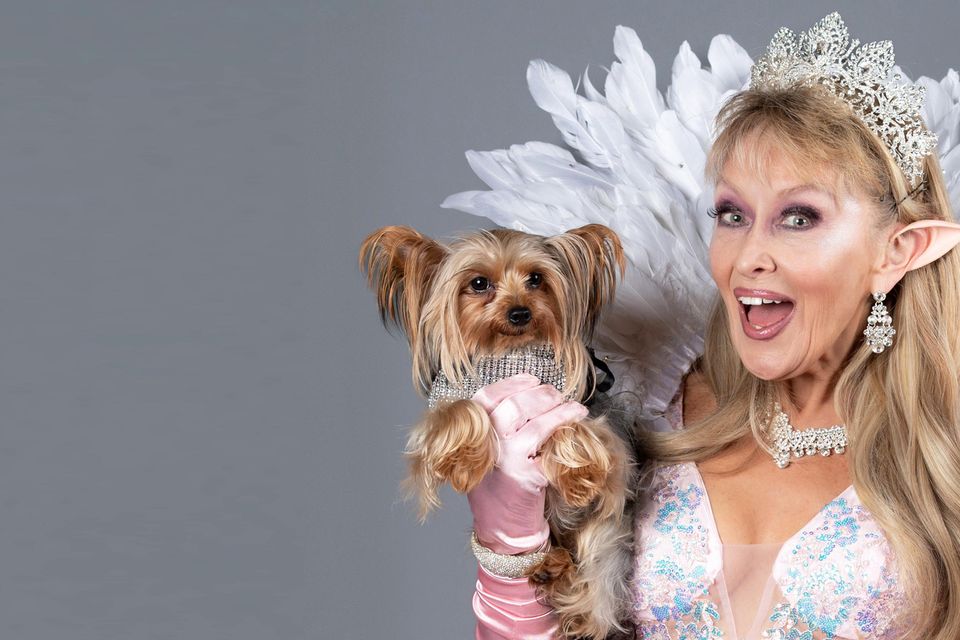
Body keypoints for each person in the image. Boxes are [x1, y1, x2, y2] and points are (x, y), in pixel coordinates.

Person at [462, 13, 960, 640]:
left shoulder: (944, 454)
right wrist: (510, 541)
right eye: (731, 213)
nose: (747, 254)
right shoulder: (654, 415)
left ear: (899, 250)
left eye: (799, 217)